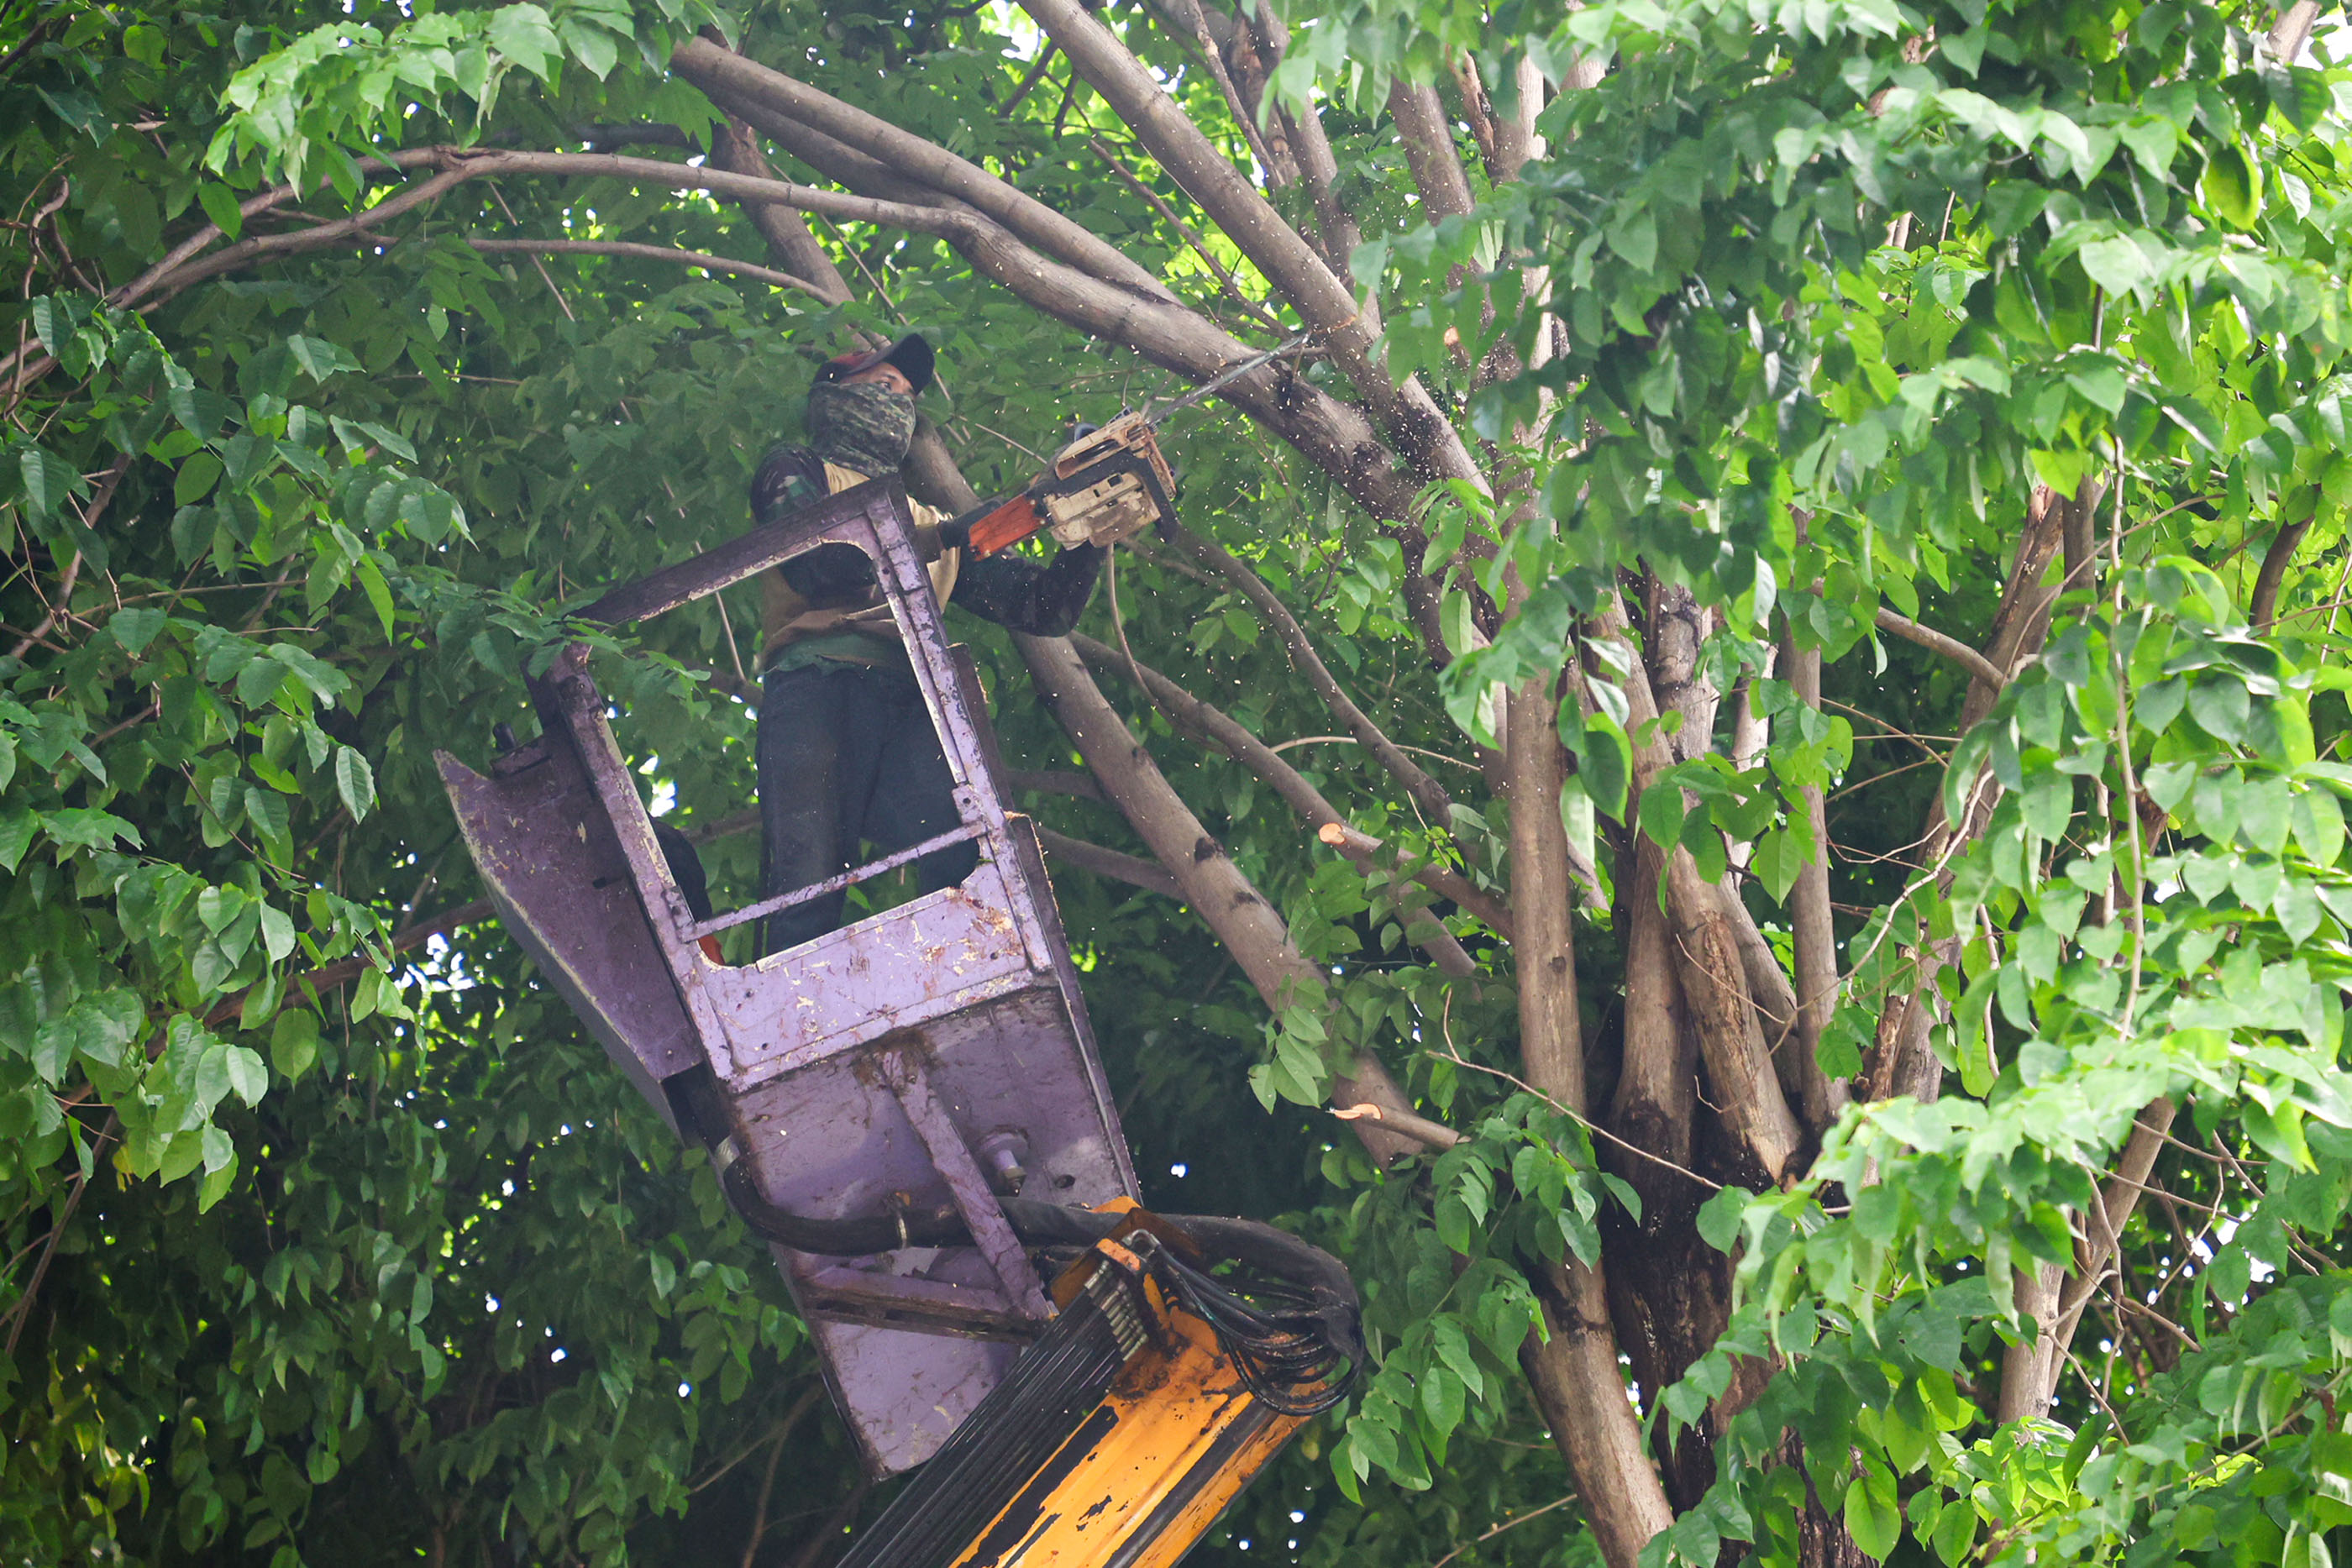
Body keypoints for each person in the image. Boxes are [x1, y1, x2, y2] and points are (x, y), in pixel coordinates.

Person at [749, 333, 1101, 954]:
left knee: (964, 857)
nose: (897, 403)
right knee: (805, 881)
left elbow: (1043, 607)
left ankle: (982, 984)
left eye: (908, 397)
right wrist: (943, 542)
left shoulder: (928, 518)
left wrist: (1092, 527)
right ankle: (790, 1024)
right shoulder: (796, 469)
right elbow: (822, 567)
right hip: (816, 686)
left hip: (911, 703)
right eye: (884, 386)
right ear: (833, 396)